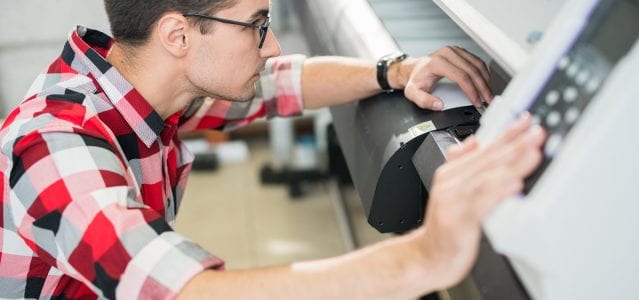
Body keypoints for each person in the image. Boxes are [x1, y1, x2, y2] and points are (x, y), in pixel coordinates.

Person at [0, 0, 545, 299]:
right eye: (257, 26)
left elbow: (286, 83)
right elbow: (190, 294)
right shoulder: (55, 147)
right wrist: (426, 256)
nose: (273, 43)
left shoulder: (147, 87)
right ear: (178, 35)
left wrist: (396, 71)